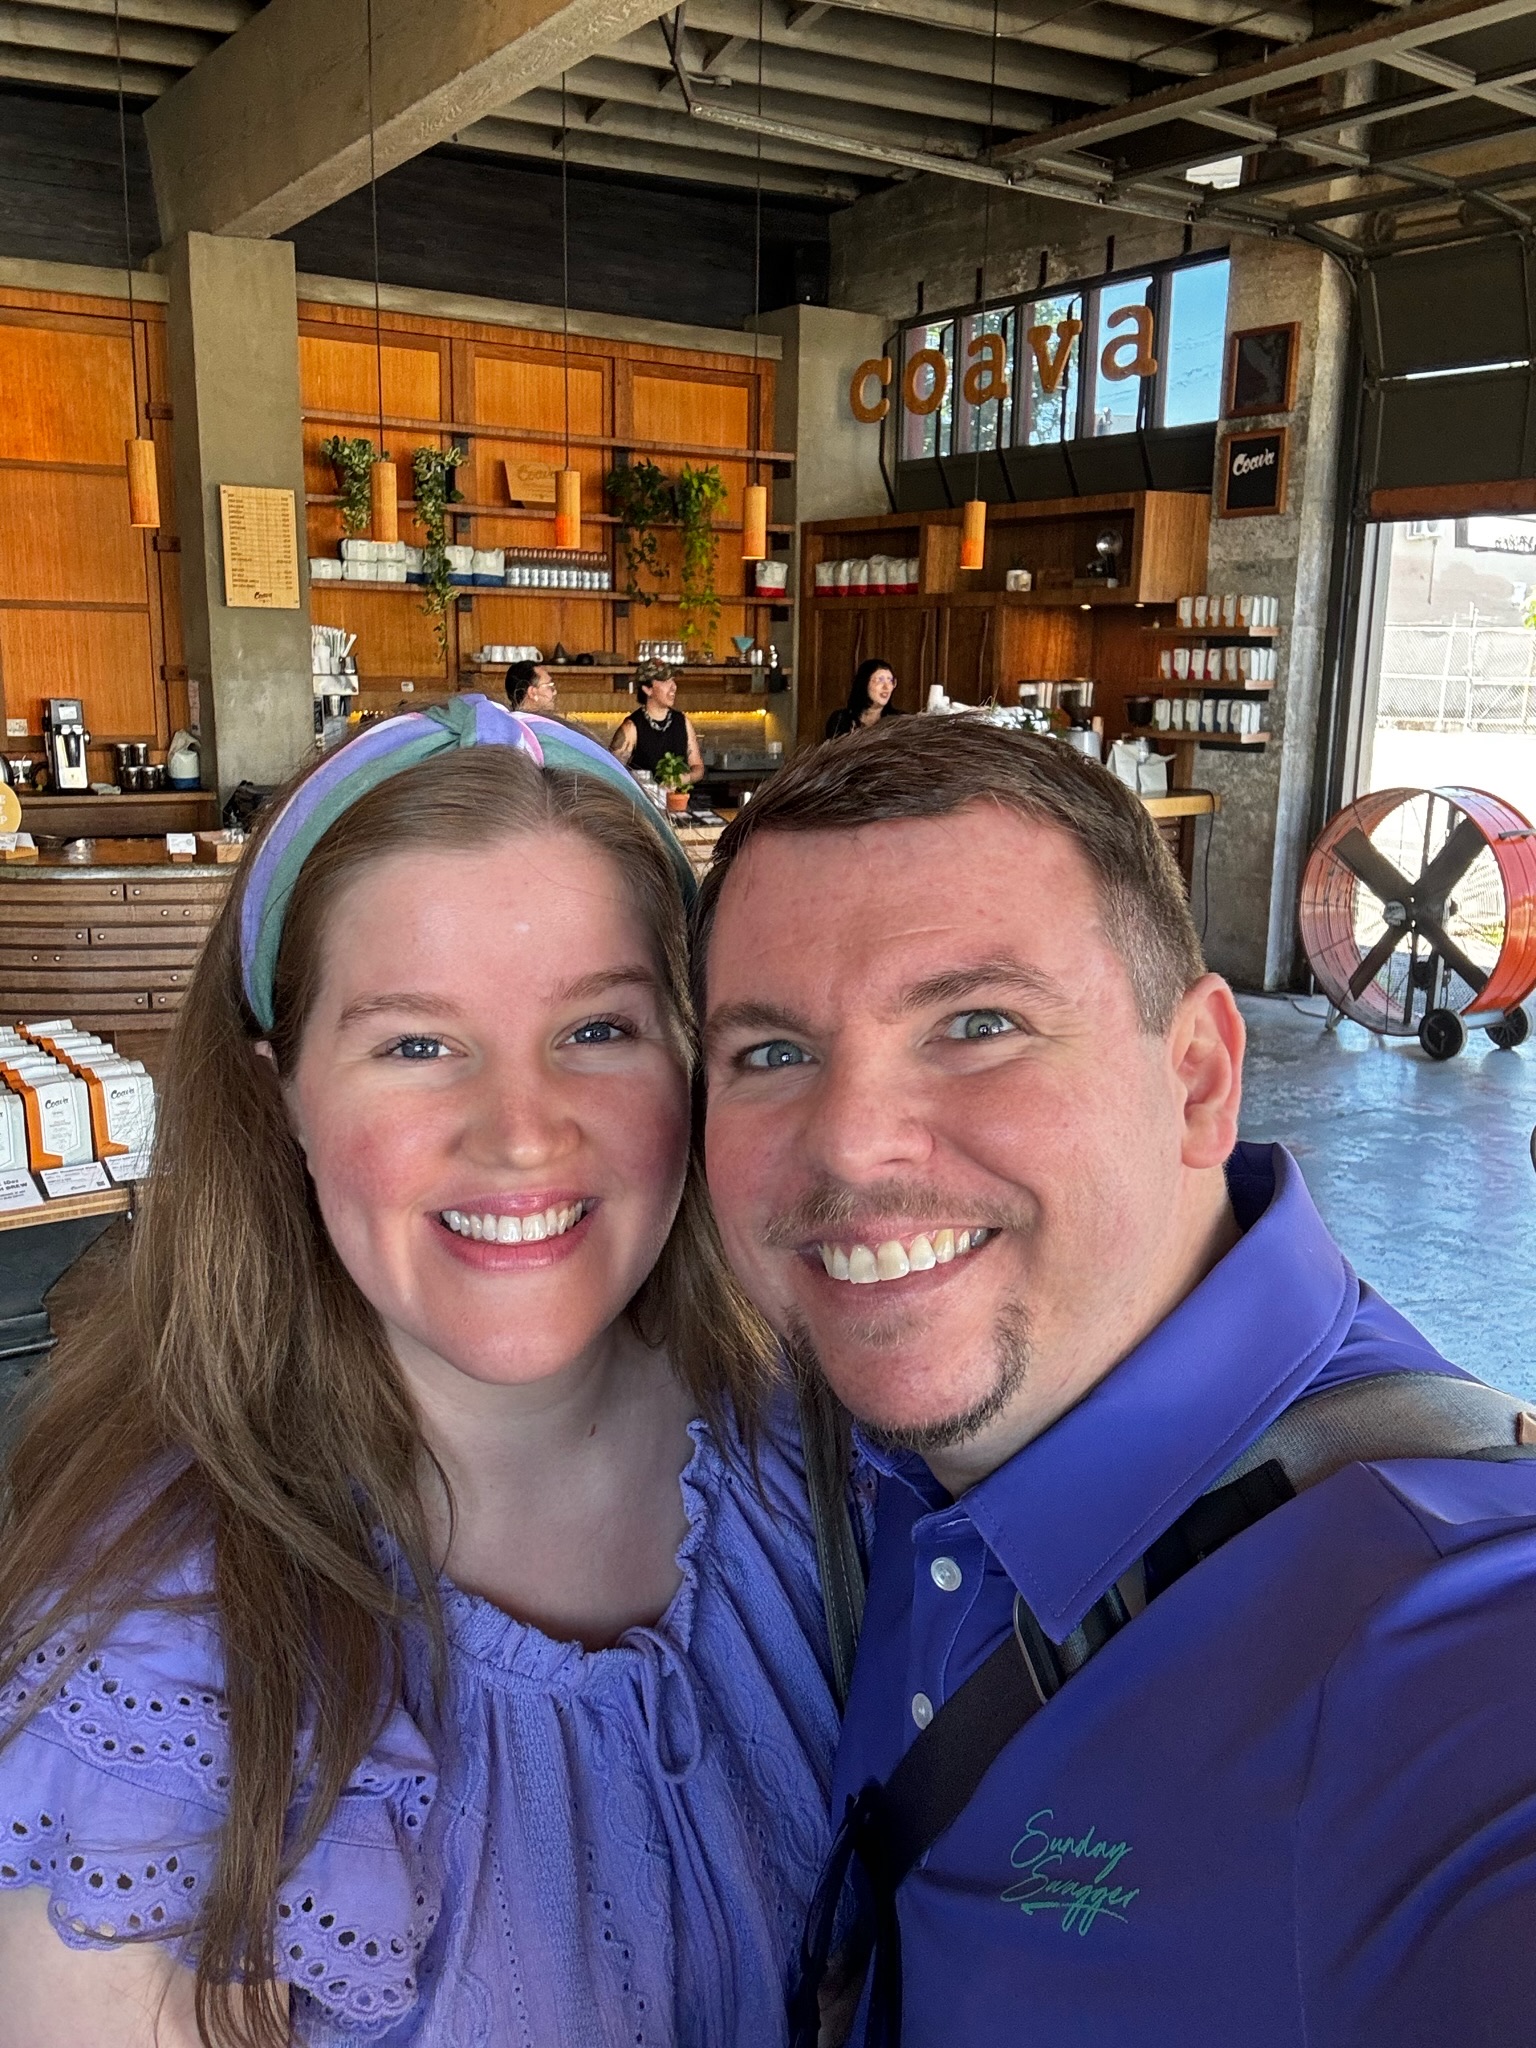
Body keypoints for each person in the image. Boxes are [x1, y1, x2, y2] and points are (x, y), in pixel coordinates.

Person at [0, 697, 843, 2048]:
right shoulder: (152, 1654)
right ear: (282, 1097)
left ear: (693, 1056)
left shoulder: (822, 1467)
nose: (519, 1136)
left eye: (598, 1030)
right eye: (414, 1044)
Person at [695, 714, 1536, 2048]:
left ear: (1199, 1078)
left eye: (979, 1022)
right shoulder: (839, 1465)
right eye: (772, 1054)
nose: (848, 1148)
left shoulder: (1452, 1640)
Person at [611, 662, 705, 784]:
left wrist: (685, 778)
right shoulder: (631, 728)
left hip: (677, 801)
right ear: (647, 689)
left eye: (673, 680)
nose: (673, 687)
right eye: (666, 682)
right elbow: (611, 773)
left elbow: (698, 767)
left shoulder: (682, 721)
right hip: (644, 802)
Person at [824, 658, 903, 740]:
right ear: (865, 683)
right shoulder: (841, 720)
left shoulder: (899, 721)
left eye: (890, 681)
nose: (886, 687)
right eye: (880, 680)